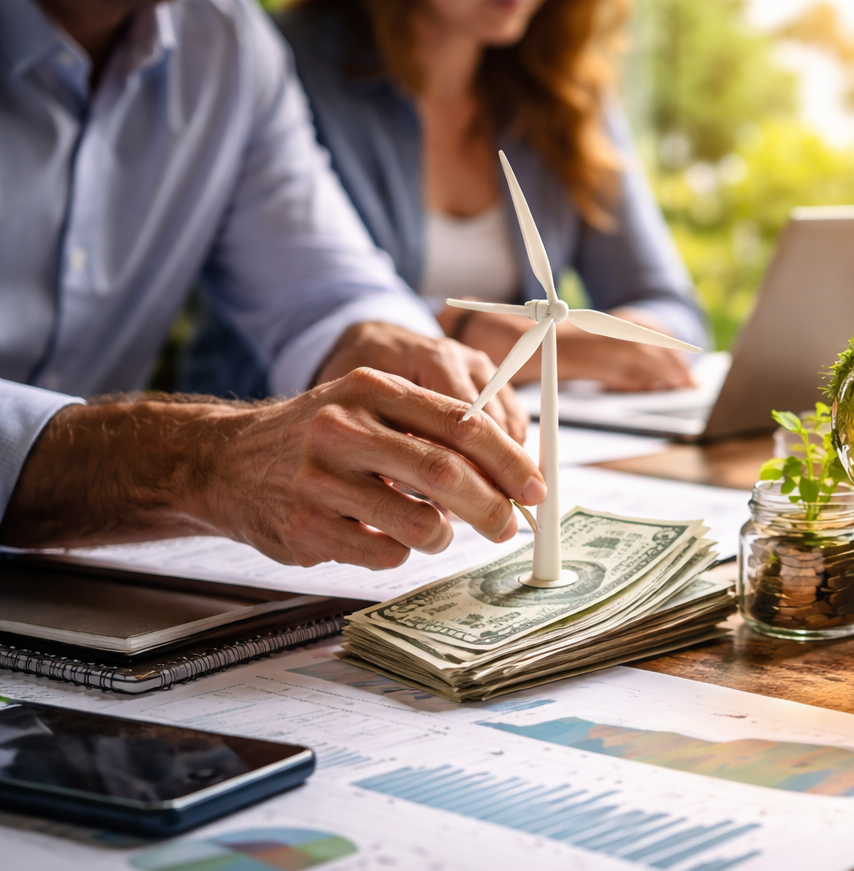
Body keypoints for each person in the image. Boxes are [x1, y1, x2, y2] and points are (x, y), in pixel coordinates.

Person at [0, 0, 544, 566]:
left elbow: (322, 285)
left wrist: (386, 345)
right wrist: (196, 462)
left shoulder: (227, 41)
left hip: (68, 585)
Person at [186, 0, 706, 399]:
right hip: (281, 453)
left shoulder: (563, 96)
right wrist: (523, 339)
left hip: (506, 442)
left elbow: (672, 309)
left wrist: (588, 340)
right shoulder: (275, 69)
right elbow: (315, 311)